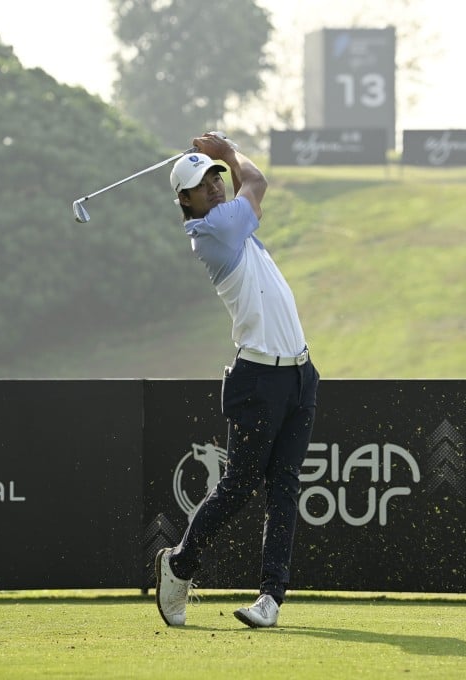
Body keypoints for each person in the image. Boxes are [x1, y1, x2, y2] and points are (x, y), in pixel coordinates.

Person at [155, 132, 319, 629]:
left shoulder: (238, 231)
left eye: (215, 178)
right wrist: (226, 149)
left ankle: (270, 598)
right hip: (257, 379)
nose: (215, 186)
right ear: (185, 200)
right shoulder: (214, 230)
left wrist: (222, 157)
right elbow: (259, 180)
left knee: (284, 488)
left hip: (299, 375)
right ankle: (179, 565)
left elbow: (250, 188)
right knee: (239, 487)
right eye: (202, 183)